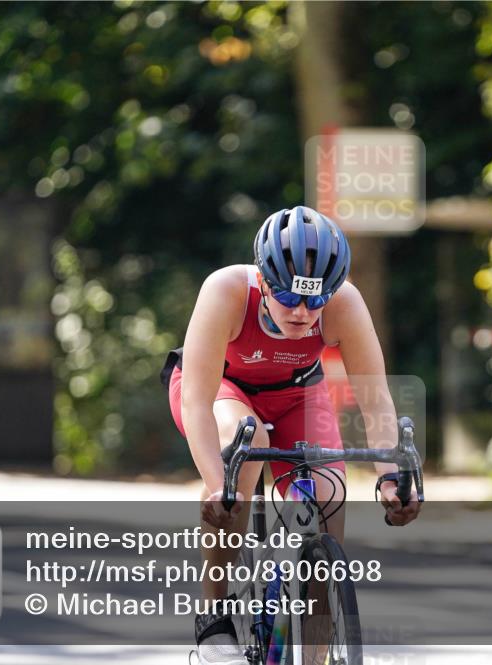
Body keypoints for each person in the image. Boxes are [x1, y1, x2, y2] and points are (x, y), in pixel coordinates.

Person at [162, 205, 420, 665]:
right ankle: (214, 617)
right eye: (289, 297)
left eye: (316, 300)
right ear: (262, 281)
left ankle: (314, 653)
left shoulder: (346, 304)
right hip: (219, 388)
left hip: (297, 393)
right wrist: (218, 482)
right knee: (248, 441)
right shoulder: (225, 290)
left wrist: (389, 477)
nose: (303, 312)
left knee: (328, 503)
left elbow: (376, 400)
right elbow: (197, 403)